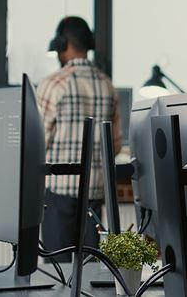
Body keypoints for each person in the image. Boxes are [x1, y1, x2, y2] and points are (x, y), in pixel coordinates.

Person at [38, 16, 121, 262]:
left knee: (57, 274)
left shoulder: (53, 84)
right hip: (93, 196)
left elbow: (37, 144)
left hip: (58, 196)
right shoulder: (108, 86)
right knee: (91, 275)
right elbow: (114, 146)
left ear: (63, 45)